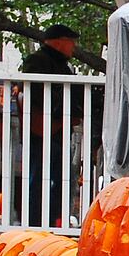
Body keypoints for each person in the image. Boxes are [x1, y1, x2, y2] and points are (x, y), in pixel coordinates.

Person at [20, 23, 81, 227]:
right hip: (42, 130)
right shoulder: (37, 61)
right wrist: (60, 113)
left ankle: (54, 219)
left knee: (58, 178)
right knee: (39, 178)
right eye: (70, 42)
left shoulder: (62, 65)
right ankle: (35, 221)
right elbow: (36, 93)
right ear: (59, 42)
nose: (73, 47)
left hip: (58, 130)